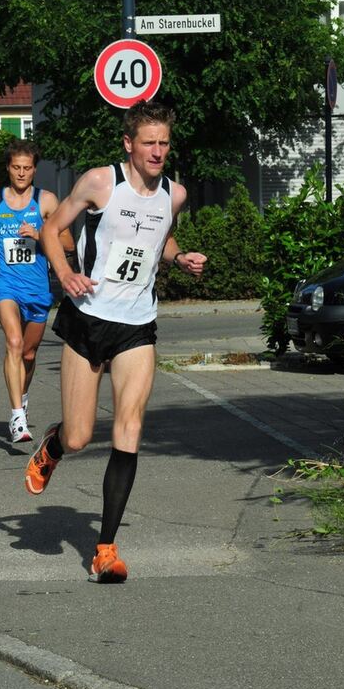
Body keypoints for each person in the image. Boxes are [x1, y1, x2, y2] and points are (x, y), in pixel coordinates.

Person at [24, 100, 207, 583]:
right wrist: (64, 274)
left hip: (136, 325)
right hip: (88, 318)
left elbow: (160, 240)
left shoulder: (174, 195)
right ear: (129, 144)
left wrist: (179, 257)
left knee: (128, 429)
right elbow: (51, 228)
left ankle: (105, 549)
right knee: (81, 436)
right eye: (149, 142)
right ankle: (54, 446)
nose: (158, 151)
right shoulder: (100, 182)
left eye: (164, 142)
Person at [0, 139, 74, 444]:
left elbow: (68, 244)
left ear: (35, 170)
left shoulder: (47, 201)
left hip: (38, 288)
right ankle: (17, 416)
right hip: (6, 285)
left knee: (28, 352)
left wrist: (39, 235)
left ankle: (22, 398)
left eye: (27, 168)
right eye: (16, 168)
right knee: (13, 342)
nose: (21, 174)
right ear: (8, 168)